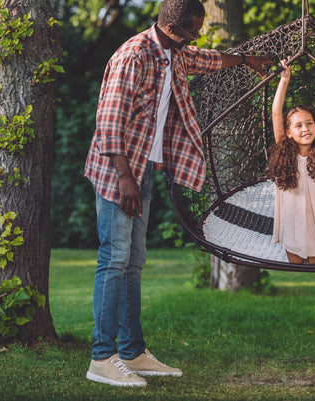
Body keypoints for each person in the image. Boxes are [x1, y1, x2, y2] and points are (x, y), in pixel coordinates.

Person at [83, 0, 272, 387]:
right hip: (119, 174)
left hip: (143, 173)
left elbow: (209, 59)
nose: (196, 38)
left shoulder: (174, 54)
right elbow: (108, 123)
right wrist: (126, 180)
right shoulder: (133, 56)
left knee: (134, 262)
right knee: (114, 260)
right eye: (192, 31)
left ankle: (133, 352)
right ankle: (102, 358)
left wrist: (246, 59)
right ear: (173, 29)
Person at [267, 60, 315, 265]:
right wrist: (284, 80)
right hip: (293, 225)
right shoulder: (286, 152)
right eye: (298, 126)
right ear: (289, 133)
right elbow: (276, 113)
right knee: (296, 264)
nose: (305, 128)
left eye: (309, 123)